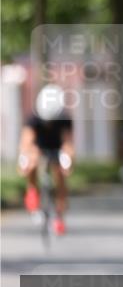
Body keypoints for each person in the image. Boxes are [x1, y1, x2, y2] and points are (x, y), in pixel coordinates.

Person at [18, 84, 74, 235]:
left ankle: (59, 216)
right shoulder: (33, 118)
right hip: (38, 147)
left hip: (57, 148)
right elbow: (26, 143)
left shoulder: (64, 119)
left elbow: (68, 143)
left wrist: (67, 160)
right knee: (32, 162)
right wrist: (25, 160)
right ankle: (32, 192)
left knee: (61, 176)